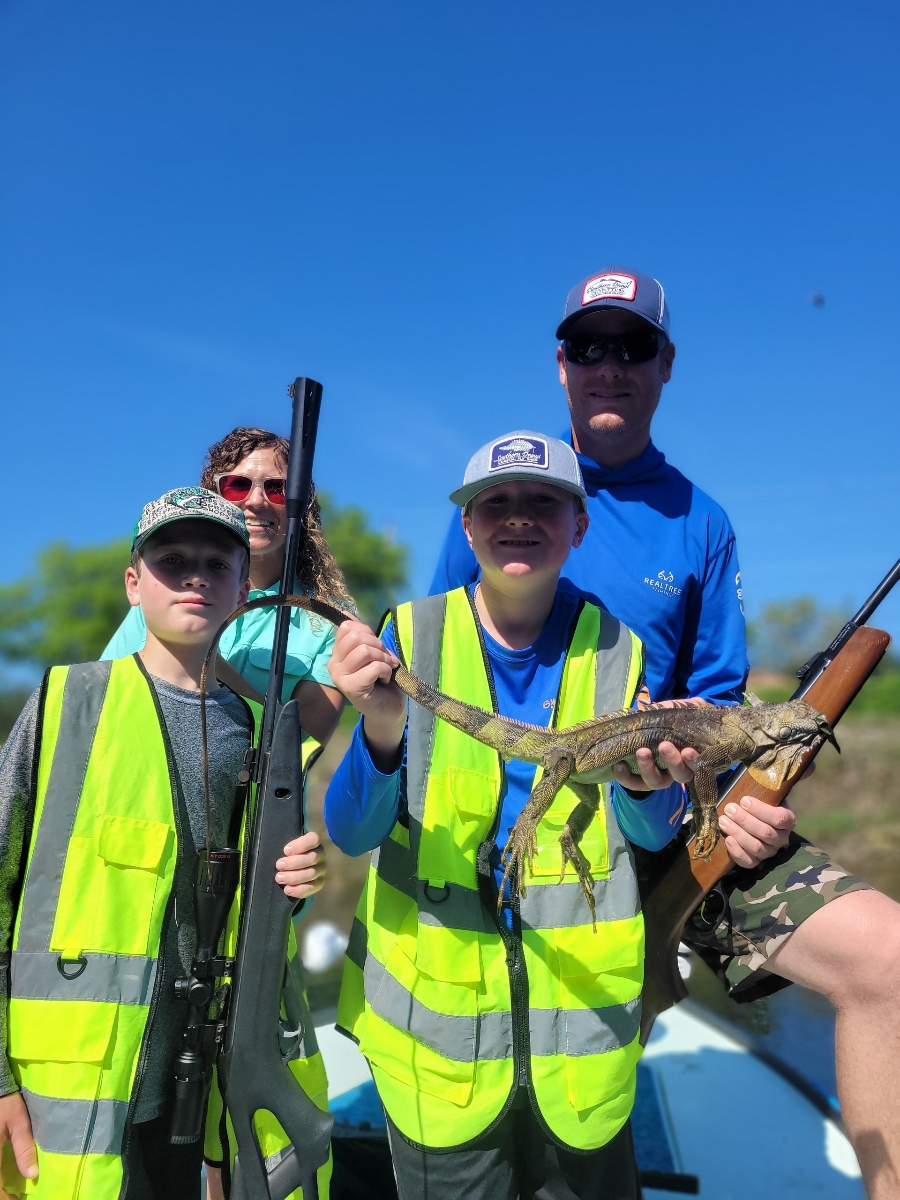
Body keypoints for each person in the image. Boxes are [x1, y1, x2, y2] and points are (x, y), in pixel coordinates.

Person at [431, 268, 900, 1197]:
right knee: (529, 1111)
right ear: (560, 366)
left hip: (675, 820)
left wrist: (745, 807)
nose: (610, 366)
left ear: (665, 364)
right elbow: (445, 669)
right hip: (531, 827)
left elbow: (721, 699)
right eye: (589, 346)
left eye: (632, 346)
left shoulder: (702, 520)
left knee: (886, 960)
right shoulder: (500, 499)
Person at [323, 433, 790, 1200]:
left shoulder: (621, 648)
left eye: (543, 503)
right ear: (467, 527)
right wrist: (379, 726)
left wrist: (646, 789)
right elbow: (353, 832)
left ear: (578, 525)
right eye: (495, 504)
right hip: (439, 1051)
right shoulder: (408, 636)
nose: (518, 520)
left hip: (582, 1039)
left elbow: (644, 833)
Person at [0, 488, 327, 1199]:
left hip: (195, 1093)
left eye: (217, 563)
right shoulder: (66, 701)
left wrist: (297, 887)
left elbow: (260, 912)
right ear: (133, 581)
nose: (194, 577)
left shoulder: (263, 732)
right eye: (172, 560)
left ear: (245, 586)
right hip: (63, 1093)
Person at [103, 426, 349, 748]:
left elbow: (301, 749)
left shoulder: (329, 623)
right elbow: (106, 707)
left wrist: (201, 653)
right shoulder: (161, 596)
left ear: (300, 504)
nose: (257, 500)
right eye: (237, 486)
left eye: (278, 488)